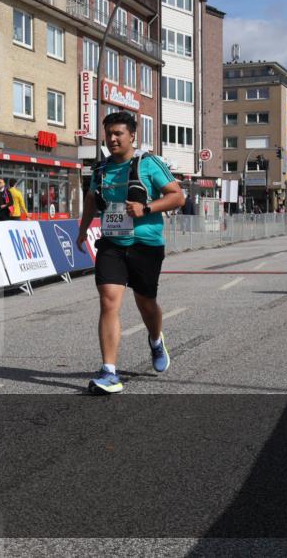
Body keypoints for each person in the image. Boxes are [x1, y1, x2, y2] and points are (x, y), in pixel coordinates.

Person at [77, 111, 185, 394]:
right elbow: (91, 200)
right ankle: (109, 372)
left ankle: (155, 339)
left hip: (145, 244)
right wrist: (82, 230)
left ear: (132, 136)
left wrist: (146, 208)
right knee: (109, 300)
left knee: (146, 303)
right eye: (109, 134)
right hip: (112, 242)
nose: (112, 139)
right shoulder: (100, 170)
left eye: (118, 134)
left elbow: (177, 196)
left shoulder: (148, 164)